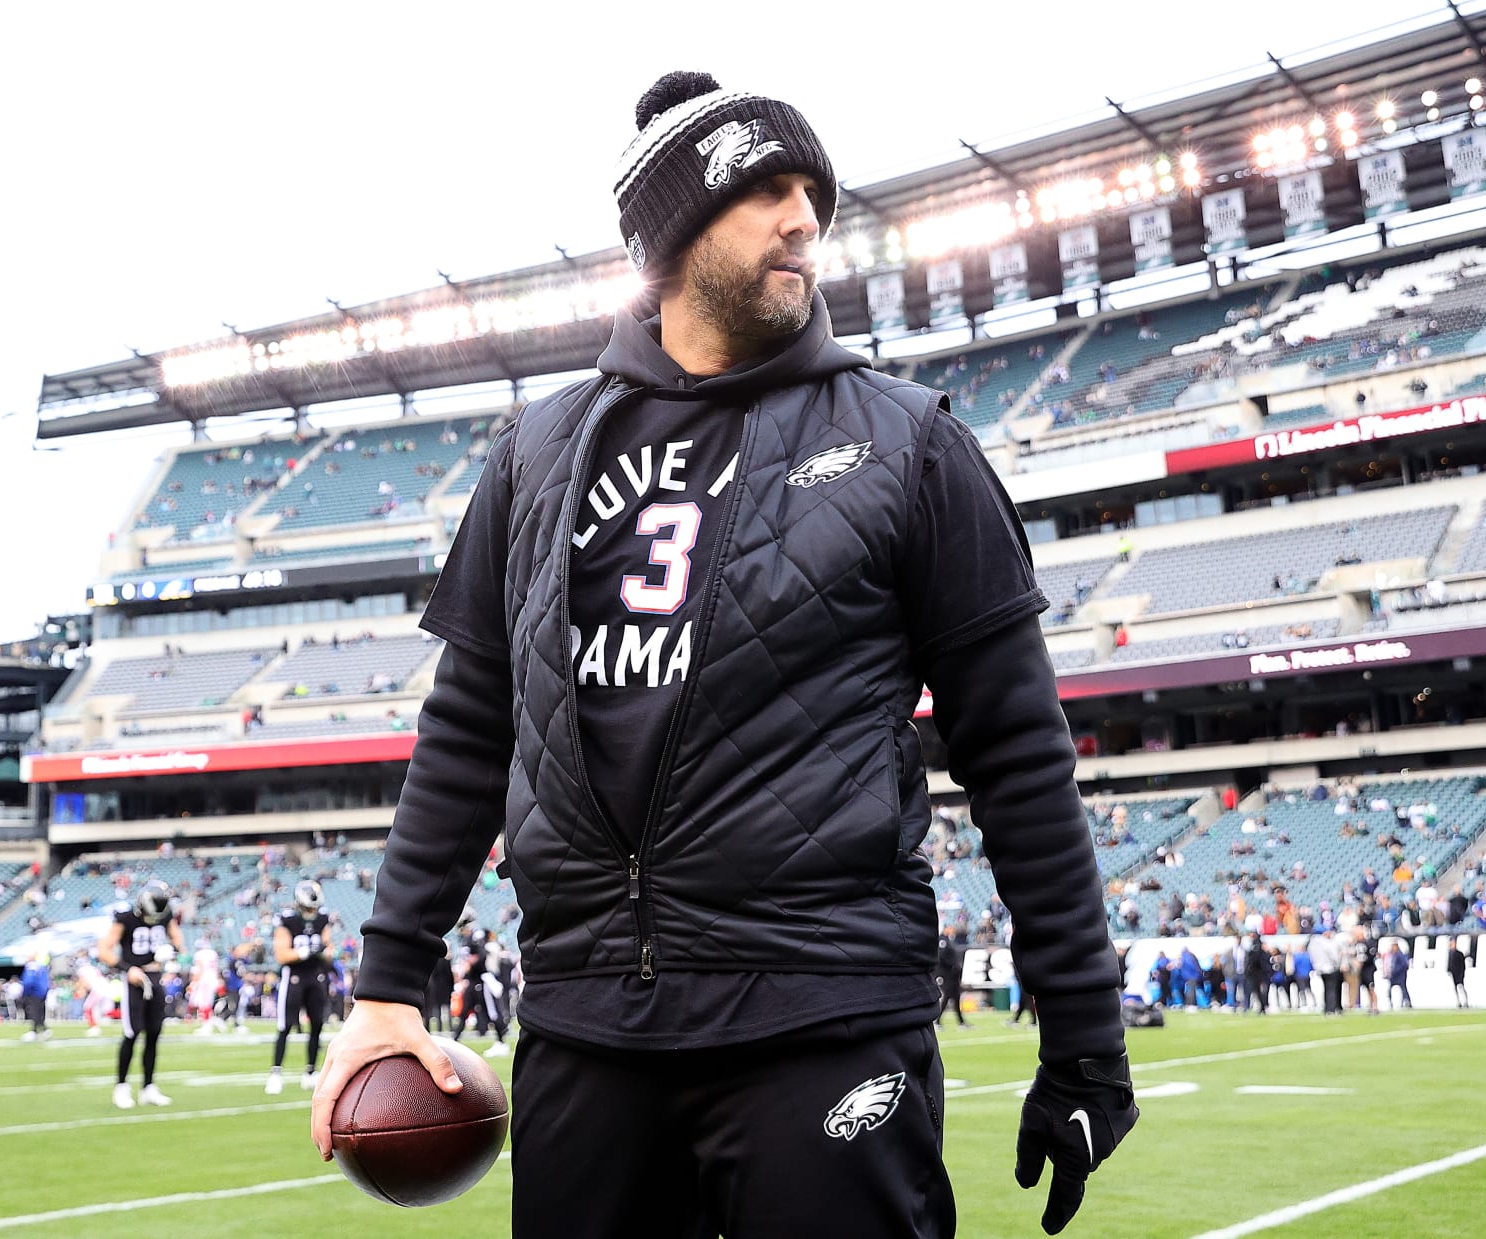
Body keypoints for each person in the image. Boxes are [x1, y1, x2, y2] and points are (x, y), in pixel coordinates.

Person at [311, 71, 1136, 1239]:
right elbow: (467, 731)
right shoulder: (534, 455)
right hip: (588, 1025)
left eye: (813, 193)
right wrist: (390, 985)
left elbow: (1016, 750)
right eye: (765, 190)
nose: (804, 218)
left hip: (826, 1016)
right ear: (672, 230)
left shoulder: (911, 443)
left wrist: (1086, 1036)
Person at [97, 878, 182, 1109]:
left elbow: (179, 941)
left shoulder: (165, 915)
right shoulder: (125, 918)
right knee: (132, 1032)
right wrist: (127, 968)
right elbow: (103, 950)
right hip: (133, 979)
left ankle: (148, 1087)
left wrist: (171, 950)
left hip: (155, 978)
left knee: (154, 1033)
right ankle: (121, 1087)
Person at [267, 880, 334, 1094]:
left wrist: (323, 952)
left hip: (316, 975)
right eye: (307, 907)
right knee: (285, 1026)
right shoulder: (287, 920)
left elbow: (330, 949)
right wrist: (305, 953)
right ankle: (276, 1073)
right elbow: (282, 954)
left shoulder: (322, 918)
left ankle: (311, 1072)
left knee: (316, 1025)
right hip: (294, 976)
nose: (311, 912)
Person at [451, 930, 511, 1056]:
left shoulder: (482, 951)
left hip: (483, 985)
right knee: (465, 1012)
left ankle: (501, 1041)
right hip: (474, 984)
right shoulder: (472, 949)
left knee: (492, 1013)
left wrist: (470, 964)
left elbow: (478, 962)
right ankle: (455, 1040)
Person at [936, 926, 970, 1028]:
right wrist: (953, 965)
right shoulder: (942, 940)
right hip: (947, 974)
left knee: (955, 997)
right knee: (947, 996)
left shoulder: (949, 940)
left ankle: (960, 1022)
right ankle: (937, 1020)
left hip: (952, 975)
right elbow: (941, 956)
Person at [19, 952, 52, 1042]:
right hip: (42, 991)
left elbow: (28, 981)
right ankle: (43, 1030)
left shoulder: (32, 966)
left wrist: (24, 992)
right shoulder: (42, 967)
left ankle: (34, 1032)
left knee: (34, 1012)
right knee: (39, 1012)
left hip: (34, 992)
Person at [1448, 942, 1469, 1007]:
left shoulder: (1459, 954)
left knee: (1461, 987)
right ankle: (1459, 1002)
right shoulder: (1450, 953)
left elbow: (1462, 965)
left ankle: (1465, 1002)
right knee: (1456, 988)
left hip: (1459, 973)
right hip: (1454, 973)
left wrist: (1462, 974)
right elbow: (1450, 964)